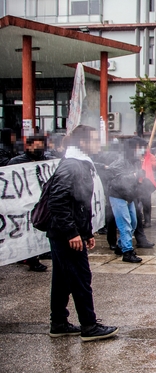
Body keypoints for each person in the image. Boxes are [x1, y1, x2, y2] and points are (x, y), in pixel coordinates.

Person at [47, 124, 118, 341]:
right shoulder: (72, 166)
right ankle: (89, 325)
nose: (98, 144)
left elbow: (81, 203)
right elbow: (57, 201)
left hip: (67, 232)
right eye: (95, 140)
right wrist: (72, 233)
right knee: (80, 278)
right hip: (65, 234)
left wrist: (86, 232)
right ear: (83, 143)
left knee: (62, 280)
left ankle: (58, 322)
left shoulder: (81, 163)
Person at [8, 135, 51, 272]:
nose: (38, 149)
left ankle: (37, 253)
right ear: (28, 146)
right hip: (22, 203)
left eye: (41, 146)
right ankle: (31, 259)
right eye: (36, 146)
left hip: (39, 202)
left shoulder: (47, 161)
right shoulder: (16, 162)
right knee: (25, 231)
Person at [107, 137, 148, 263]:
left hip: (129, 196)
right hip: (118, 196)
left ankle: (120, 245)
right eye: (138, 147)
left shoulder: (135, 161)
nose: (141, 150)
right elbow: (118, 181)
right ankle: (127, 251)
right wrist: (135, 175)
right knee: (125, 224)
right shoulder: (120, 162)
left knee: (134, 222)